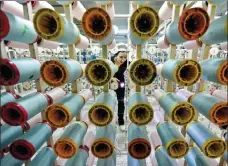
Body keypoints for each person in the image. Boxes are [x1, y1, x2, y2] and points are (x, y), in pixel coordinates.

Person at [111, 44, 128, 131]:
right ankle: (108, 120)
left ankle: (121, 121)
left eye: (125, 57)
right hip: (109, 82)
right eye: (121, 57)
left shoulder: (125, 64)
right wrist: (111, 78)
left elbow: (119, 72)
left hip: (120, 83)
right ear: (115, 55)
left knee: (121, 101)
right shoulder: (109, 61)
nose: (123, 59)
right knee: (108, 101)